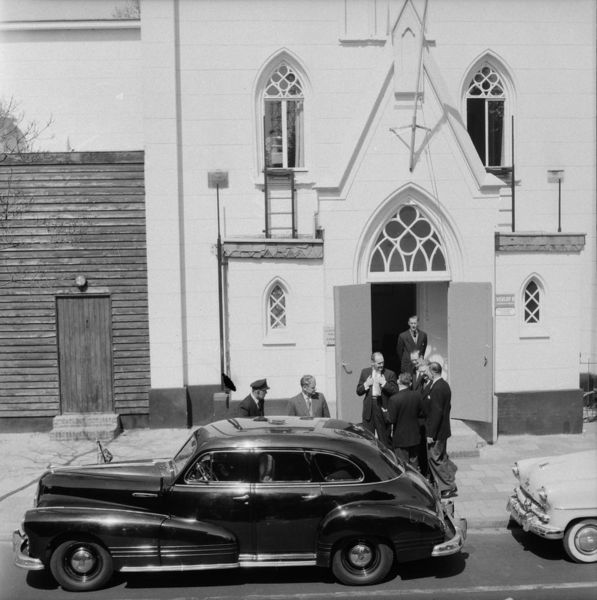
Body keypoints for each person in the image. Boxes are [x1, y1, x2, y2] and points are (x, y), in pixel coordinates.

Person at [424, 362, 458, 498]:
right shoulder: (443, 385)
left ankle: (448, 487)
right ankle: (449, 484)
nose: (426, 373)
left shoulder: (438, 388)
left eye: (427, 371)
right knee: (442, 458)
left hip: (437, 432)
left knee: (434, 458)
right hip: (443, 430)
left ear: (433, 372)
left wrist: (431, 434)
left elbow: (436, 412)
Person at [356, 352, 398, 447]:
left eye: (383, 362)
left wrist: (384, 384)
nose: (381, 365)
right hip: (369, 409)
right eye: (379, 363)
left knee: (384, 441)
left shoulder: (390, 374)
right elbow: (358, 391)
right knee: (368, 441)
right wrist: (366, 384)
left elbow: (395, 391)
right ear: (372, 363)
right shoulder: (365, 372)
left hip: (383, 408)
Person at [387, 372, 422, 470]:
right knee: (414, 465)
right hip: (414, 436)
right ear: (410, 383)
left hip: (401, 438)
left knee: (403, 466)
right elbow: (421, 412)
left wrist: (385, 413)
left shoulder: (394, 399)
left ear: (398, 381)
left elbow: (391, 419)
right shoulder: (417, 395)